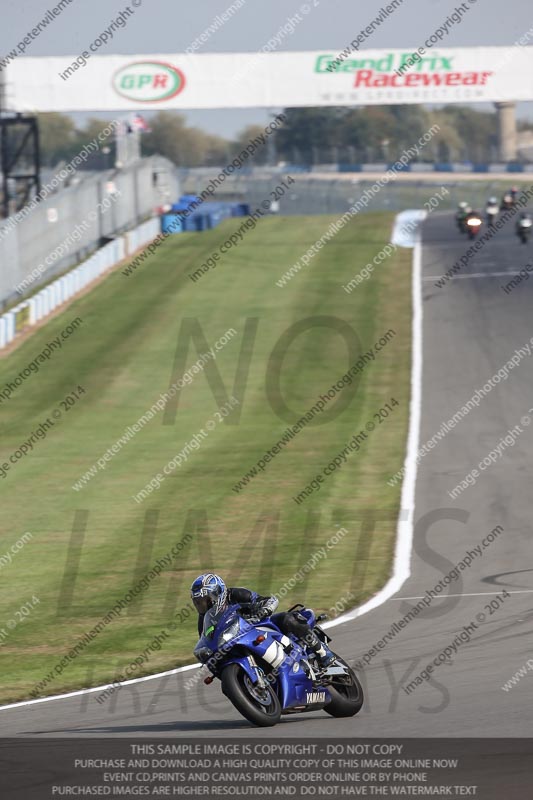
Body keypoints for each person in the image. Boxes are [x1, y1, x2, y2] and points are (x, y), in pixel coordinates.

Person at [191, 573, 335, 668]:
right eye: (198, 602)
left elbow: (268, 600)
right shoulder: (204, 620)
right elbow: (207, 640)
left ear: (219, 593)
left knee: (288, 619)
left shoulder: (236, 594)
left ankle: (322, 652)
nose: (202, 605)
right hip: (237, 641)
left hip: (261, 626)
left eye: (205, 600)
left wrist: (264, 609)